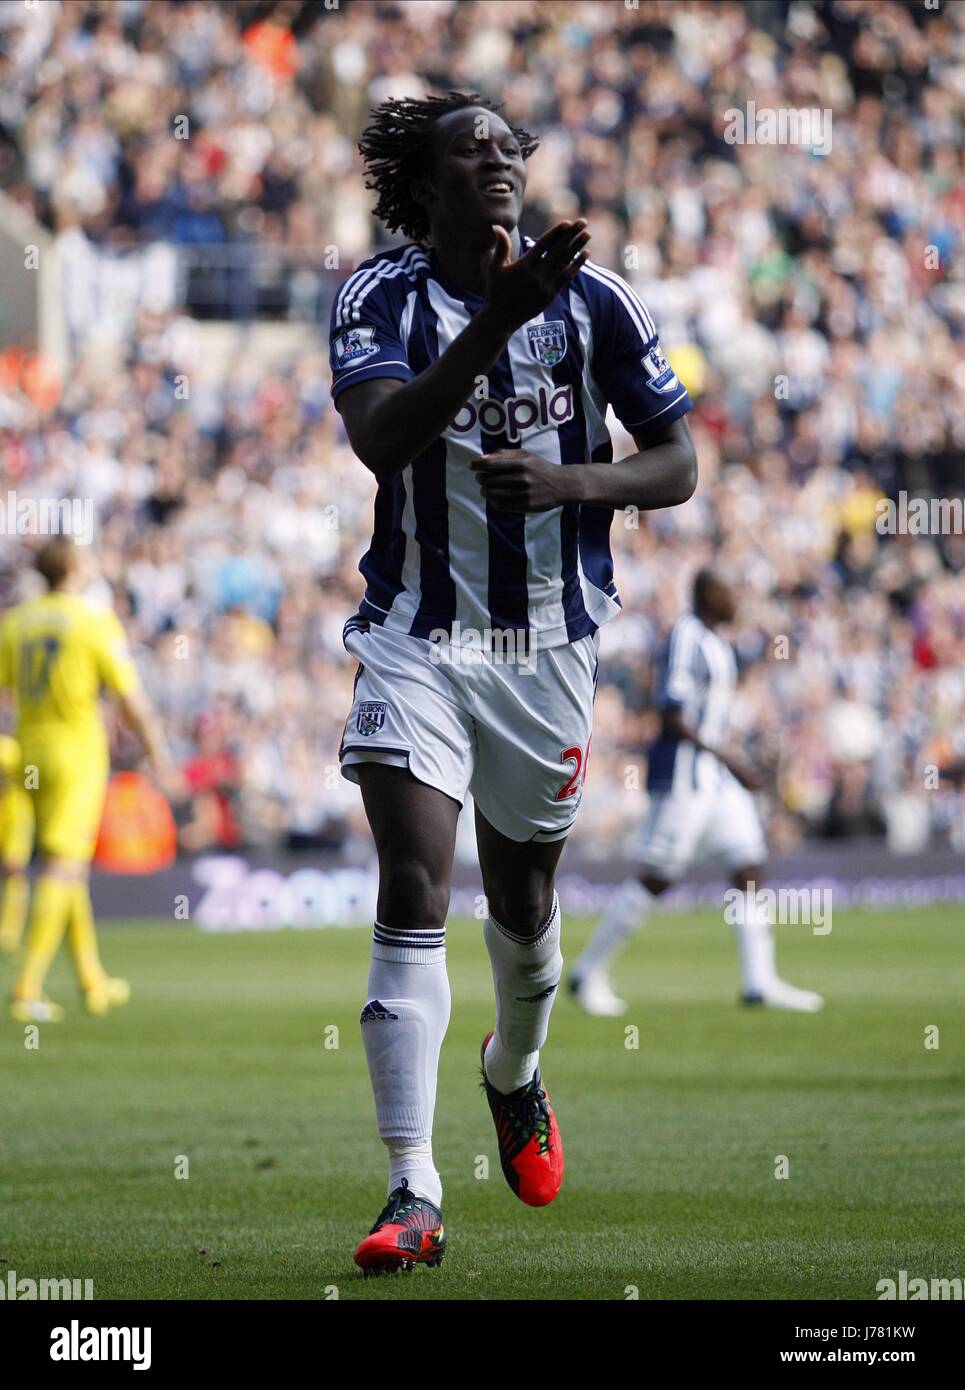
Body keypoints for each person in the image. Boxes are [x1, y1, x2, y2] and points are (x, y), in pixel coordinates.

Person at [329, 91, 697, 1273]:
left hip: (543, 647)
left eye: (508, 146)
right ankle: (411, 1189)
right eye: (468, 149)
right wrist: (494, 323)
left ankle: (514, 1071)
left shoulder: (595, 301)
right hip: (417, 635)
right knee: (409, 879)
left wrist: (573, 485)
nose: (496, 161)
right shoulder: (376, 297)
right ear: (423, 185)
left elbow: (676, 462)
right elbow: (384, 441)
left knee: (525, 909)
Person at [570, 569, 824, 1017]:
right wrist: (731, 760)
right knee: (658, 876)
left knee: (748, 863)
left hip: (715, 782)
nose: (736, 603)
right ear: (709, 597)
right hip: (686, 778)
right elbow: (672, 712)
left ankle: (759, 981)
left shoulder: (715, 641)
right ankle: (588, 972)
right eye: (729, 593)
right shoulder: (687, 635)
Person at [0, 539, 173, 1022]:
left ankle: (91, 979)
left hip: (28, 748)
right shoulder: (92, 620)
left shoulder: (17, 621)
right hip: (74, 752)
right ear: (74, 568)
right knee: (63, 867)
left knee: (64, 862)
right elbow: (129, 698)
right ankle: (27, 987)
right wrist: (159, 752)